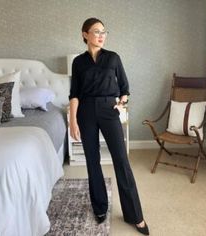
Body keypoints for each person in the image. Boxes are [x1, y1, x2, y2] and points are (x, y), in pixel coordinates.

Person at [69, 17, 149, 235]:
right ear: (85, 34)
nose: (101, 35)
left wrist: (120, 103)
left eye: (104, 31)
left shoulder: (113, 58)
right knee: (92, 161)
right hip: (85, 111)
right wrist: (72, 120)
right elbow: (74, 93)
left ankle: (135, 215)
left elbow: (125, 88)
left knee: (121, 160)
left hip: (108, 109)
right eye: (96, 31)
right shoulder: (78, 62)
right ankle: (100, 207)